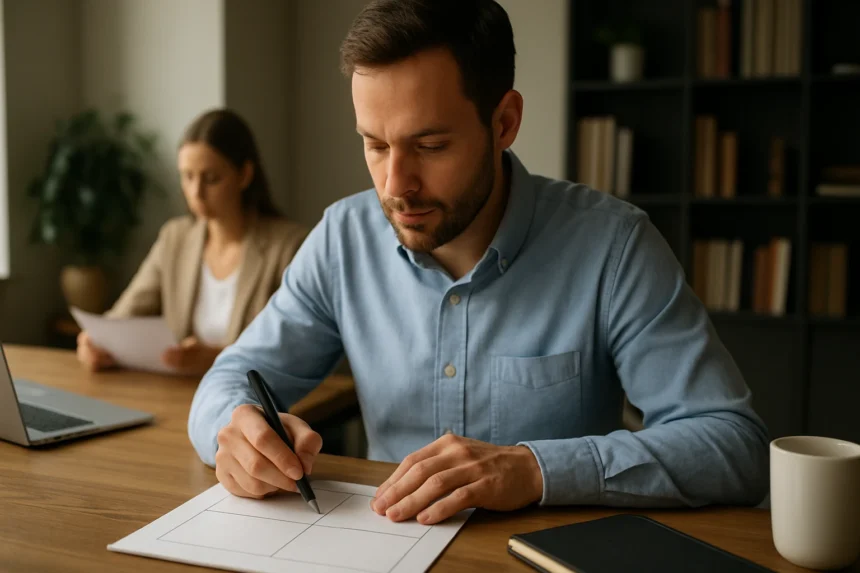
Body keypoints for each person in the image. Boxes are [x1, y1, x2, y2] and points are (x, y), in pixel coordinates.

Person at [188, 0, 769, 525]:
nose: (396, 185)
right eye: (376, 144)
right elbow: (231, 377)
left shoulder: (613, 247)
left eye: (430, 146)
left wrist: (533, 469)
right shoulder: (343, 237)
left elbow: (733, 445)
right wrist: (234, 430)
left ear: (504, 123)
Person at [76, 109, 309, 376]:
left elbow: (297, 350)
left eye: (211, 179)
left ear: (244, 175)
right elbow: (123, 316)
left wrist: (218, 358)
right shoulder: (175, 238)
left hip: (252, 401)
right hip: (181, 394)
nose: (196, 192)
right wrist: (94, 342)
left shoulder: (289, 247)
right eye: (187, 176)